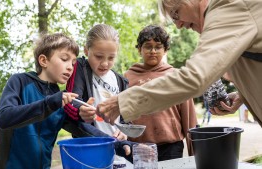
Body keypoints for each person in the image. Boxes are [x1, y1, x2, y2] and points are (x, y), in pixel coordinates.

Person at [95, 0, 262, 128]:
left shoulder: (229, 6)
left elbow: (194, 78)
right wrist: (243, 95)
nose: (179, 24)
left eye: (176, 13)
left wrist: (122, 102)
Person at [0, 33, 132, 169]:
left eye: (73, 62)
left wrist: (117, 144)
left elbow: (84, 130)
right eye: (64, 59)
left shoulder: (60, 100)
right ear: (43, 60)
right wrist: (49, 103)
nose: (70, 67)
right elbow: (4, 118)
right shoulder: (19, 81)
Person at [124, 25, 197, 161]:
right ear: (139, 49)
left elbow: (189, 117)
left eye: (158, 47)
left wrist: (195, 155)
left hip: (171, 147)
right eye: (148, 46)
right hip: (138, 147)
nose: (153, 51)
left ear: (165, 50)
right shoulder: (127, 77)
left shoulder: (176, 76)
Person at [64, 24, 129, 168]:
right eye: (99, 56)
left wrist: (124, 132)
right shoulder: (80, 68)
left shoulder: (121, 81)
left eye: (111, 58)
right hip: (90, 153)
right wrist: (80, 111)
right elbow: (71, 100)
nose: (105, 63)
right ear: (87, 50)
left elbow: (126, 118)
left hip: (118, 158)